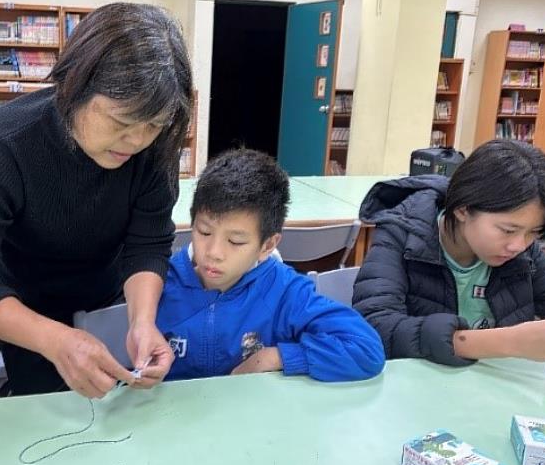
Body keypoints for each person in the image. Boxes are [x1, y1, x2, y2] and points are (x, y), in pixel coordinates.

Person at [0, 3, 193, 398]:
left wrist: (142, 321)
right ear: (74, 84)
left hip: (113, 300)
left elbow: (148, 243)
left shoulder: (155, 148)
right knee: (48, 423)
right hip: (25, 310)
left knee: (130, 412)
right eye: (121, 123)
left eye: (154, 125)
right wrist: (55, 340)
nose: (137, 141)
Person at [156, 149, 385, 382]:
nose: (213, 253)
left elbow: (366, 349)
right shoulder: (161, 282)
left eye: (235, 241)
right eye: (204, 232)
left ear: (267, 245)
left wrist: (277, 357)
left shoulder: (283, 291)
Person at [352, 139, 545, 367]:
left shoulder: (521, 249)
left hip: (494, 391)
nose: (518, 245)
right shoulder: (403, 234)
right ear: (462, 209)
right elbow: (375, 326)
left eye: (534, 232)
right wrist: (508, 342)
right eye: (508, 230)